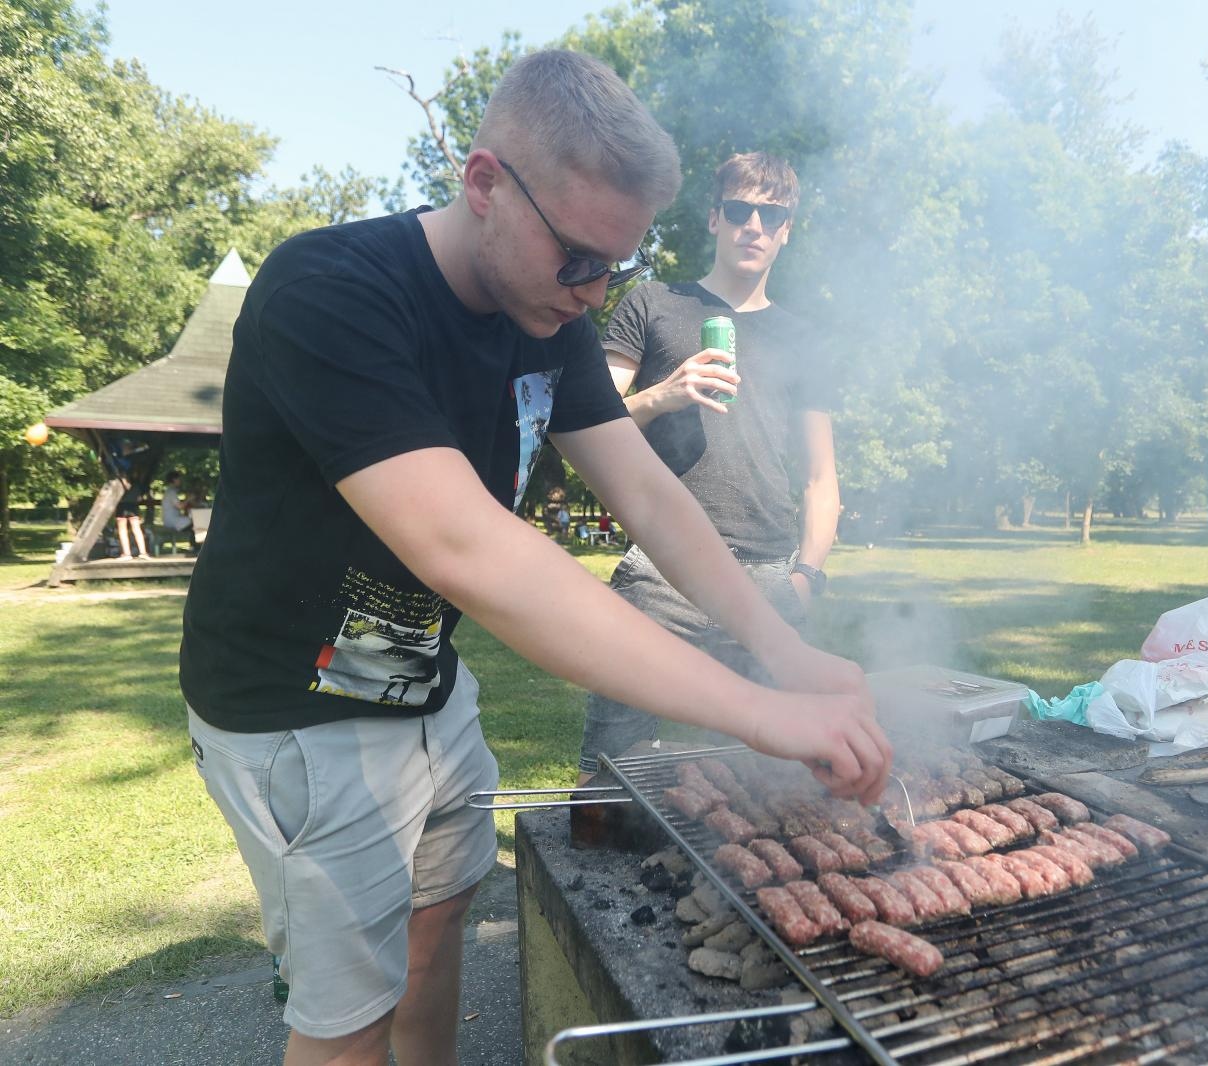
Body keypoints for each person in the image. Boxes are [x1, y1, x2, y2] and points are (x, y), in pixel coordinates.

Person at [178, 51, 889, 1066]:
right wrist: (764, 715)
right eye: (578, 258)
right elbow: (472, 550)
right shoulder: (331, 291)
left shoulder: (548, 310)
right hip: (296, 712)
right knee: (344, 1025)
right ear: (484, 185)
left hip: (416, 676)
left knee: (432, 929)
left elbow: (645, 491)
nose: (595, 289)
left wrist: (783, 648)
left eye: (621, 265)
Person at [577, 151, 842, 784]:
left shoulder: (804, 338)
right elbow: (593, 426)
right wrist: (663, 393)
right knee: (609, 772)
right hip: (660, 574)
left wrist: (807, 576)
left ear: (786, 229)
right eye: (741, 210)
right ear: (715, 218)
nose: (754, 225)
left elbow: (820, 477)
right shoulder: (652, 304)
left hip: (770, 577)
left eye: (770, 214)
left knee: (781, 780)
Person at [160, 470, 196, 549]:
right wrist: (188, 499)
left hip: (171, 519)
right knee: (195, 523)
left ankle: (194, 546)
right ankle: (195, 547)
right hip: (172, 520)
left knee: (194, 523)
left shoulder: (170, 492)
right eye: (179, 479)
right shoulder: (171, 492)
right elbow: (180, 506)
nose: (180, 481)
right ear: (174, 480)